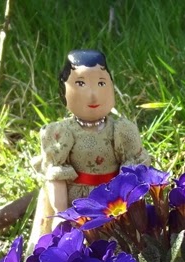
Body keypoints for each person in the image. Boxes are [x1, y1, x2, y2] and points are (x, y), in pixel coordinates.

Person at [29, 49, 150, 246]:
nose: (93, 95)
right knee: (79, 245)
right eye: (80, 83)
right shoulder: (61, 133)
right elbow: (57, 177)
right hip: (78, 205)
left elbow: (133, 172)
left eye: (101, 83)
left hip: (113, 202)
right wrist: (61, 213)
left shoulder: (121, 130)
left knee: (117, 244)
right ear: (64, 90)